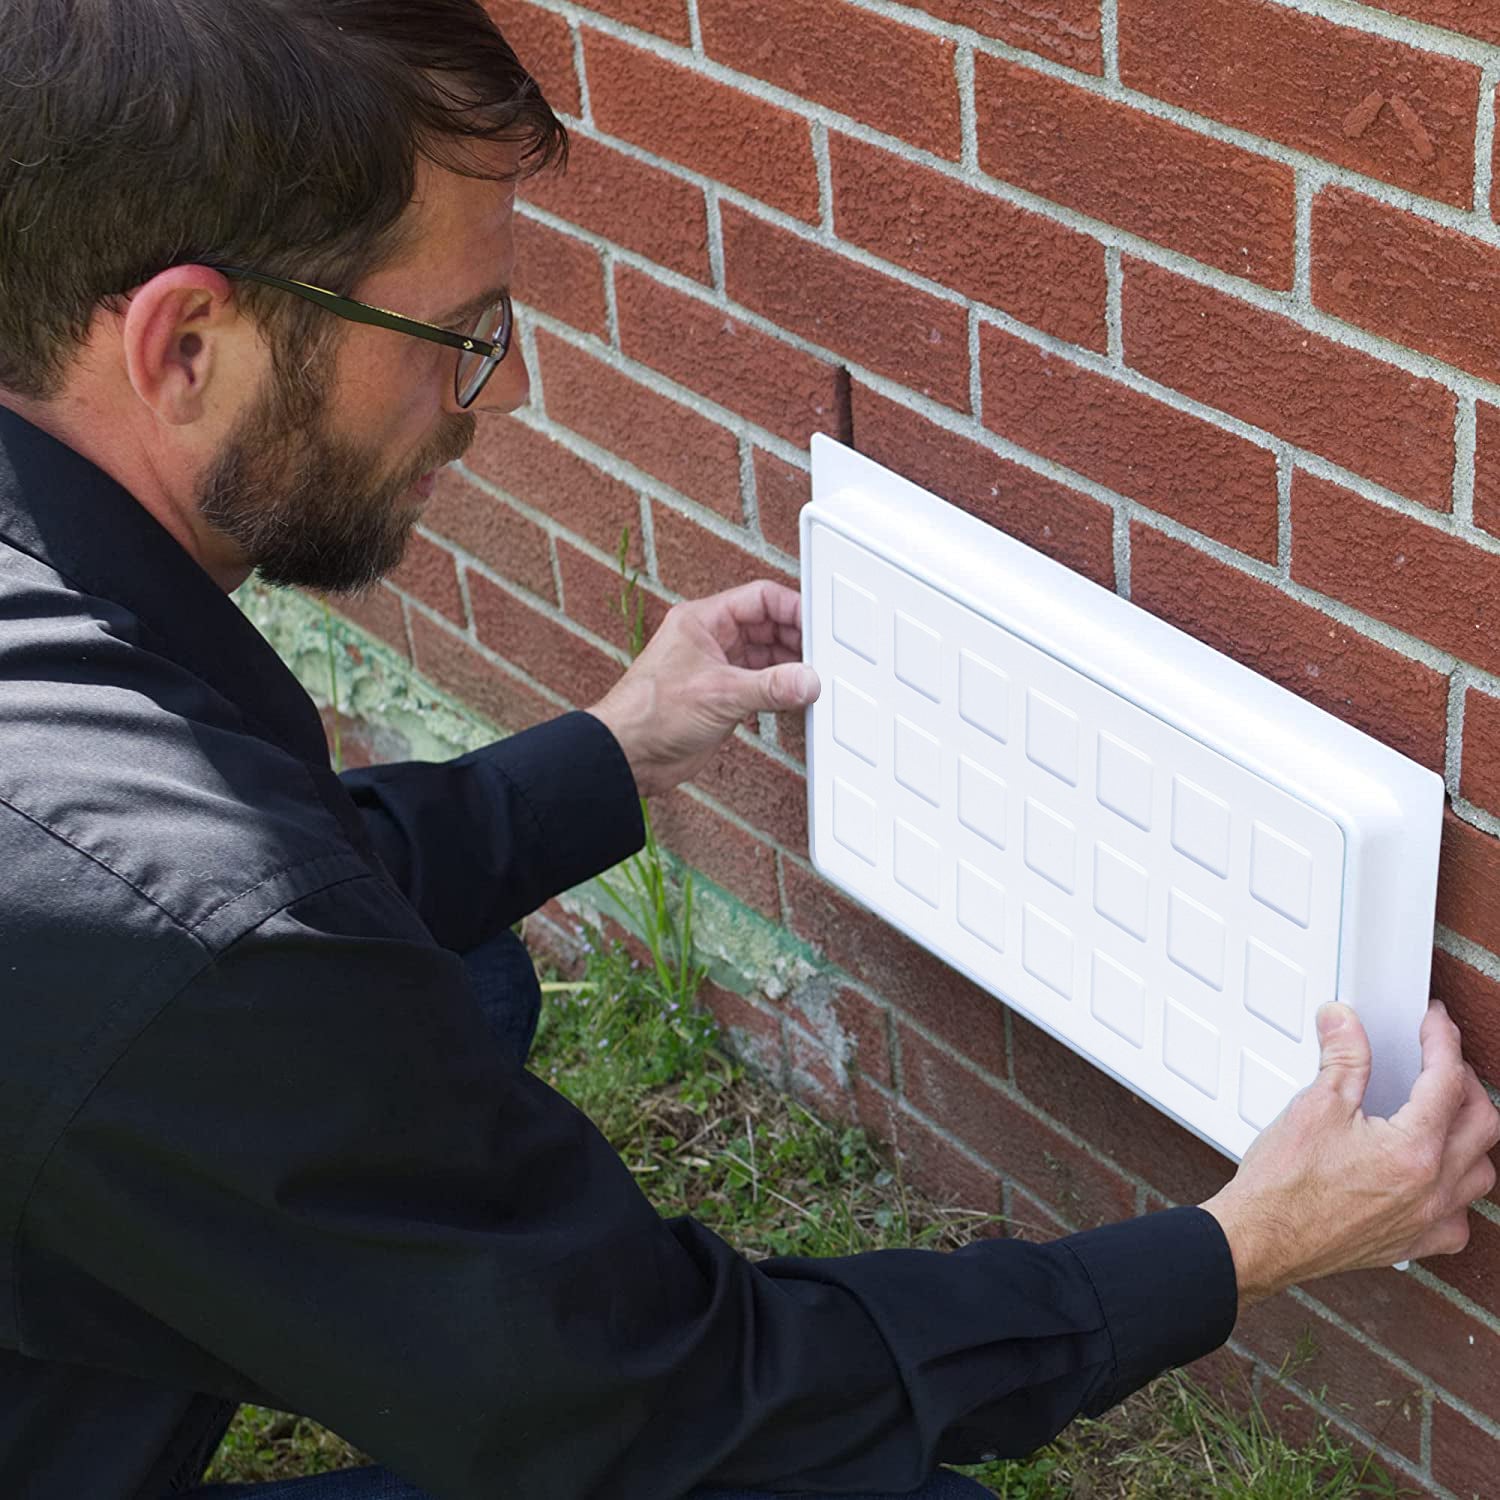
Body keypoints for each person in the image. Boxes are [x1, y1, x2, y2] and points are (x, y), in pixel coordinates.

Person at [0, 3, 1494, 1498]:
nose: (498, 393)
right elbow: (664, 1400)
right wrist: (1239, 1248)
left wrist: (614, 749)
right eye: (459, 336)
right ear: (186, 345)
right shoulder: (183, 929)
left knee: (450, 976)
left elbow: (247, 929)